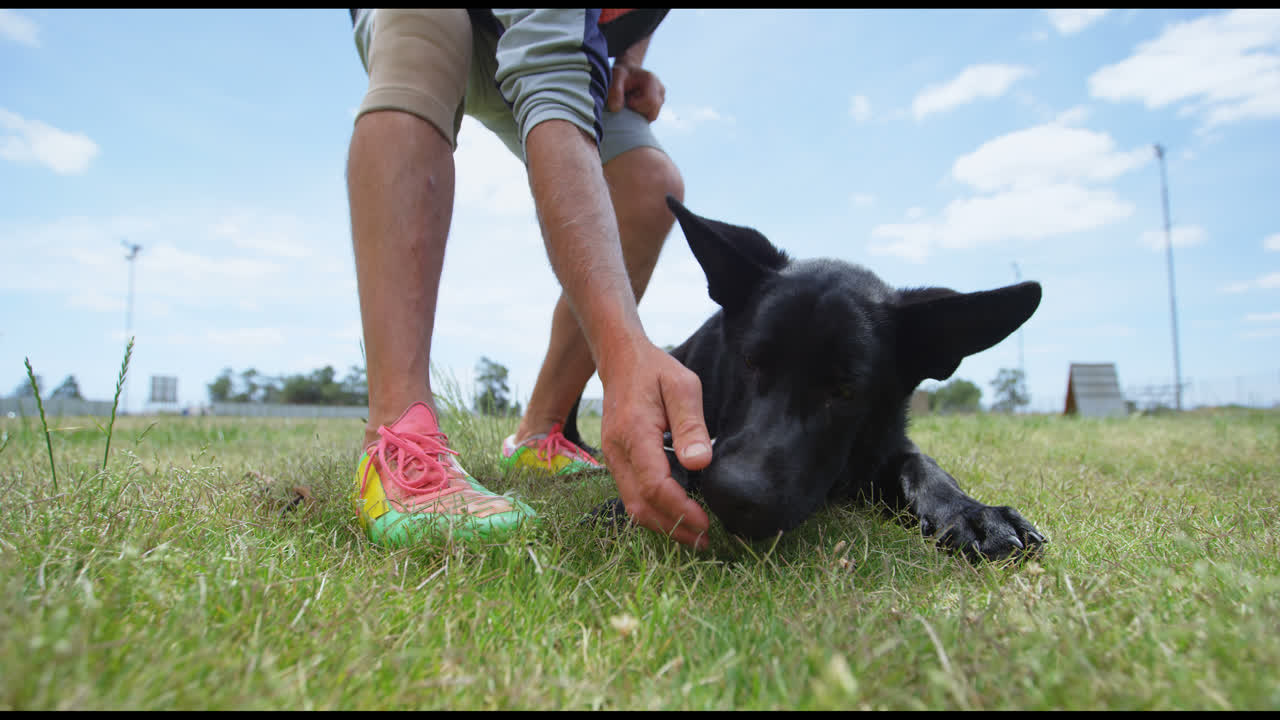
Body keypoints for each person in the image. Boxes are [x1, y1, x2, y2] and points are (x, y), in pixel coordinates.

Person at [346, 9, 713, 551]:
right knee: (424, 32)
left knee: (648, 181)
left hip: (549, 35)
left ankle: (539, 433)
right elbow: (551, 77)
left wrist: (627, 62)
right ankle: (400, 438)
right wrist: (622, 351)